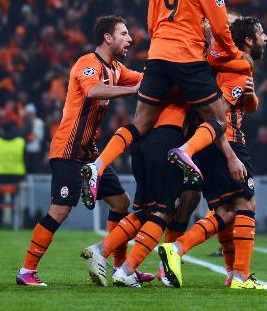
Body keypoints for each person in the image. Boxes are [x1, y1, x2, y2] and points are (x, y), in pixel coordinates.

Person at [80, 0, 251, 209]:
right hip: (187, 58)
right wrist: (237, 56)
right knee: (219, 119)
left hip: (158, 56)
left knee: (140, 123)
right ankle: (185, 151)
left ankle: (98, 166)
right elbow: (221, 29)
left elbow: (150, 24)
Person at [16, 15, 144, 287]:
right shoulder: (87, 63)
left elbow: (146, 80)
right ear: (108, 38)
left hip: (89, 154)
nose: (129, 39)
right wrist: (132, 90)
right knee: (60, 210)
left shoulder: (117, 68)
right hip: (67, 150)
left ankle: (121, 269)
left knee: (121, 202)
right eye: (123, 34)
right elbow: (92, 91)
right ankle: (27, 270)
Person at [158, 16, 267, 290]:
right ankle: (240, 276)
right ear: (248, 40)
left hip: (208, 146)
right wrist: (231, 155)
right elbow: (219, 115)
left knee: (224, 211)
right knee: (246, 205)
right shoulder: (239, 67)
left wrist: (251, 96)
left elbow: (246, 104)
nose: (266, 38)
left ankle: (191, 255)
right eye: (261, 33)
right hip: (227, 142)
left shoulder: (228, 66)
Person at [80, 95, 188, 287]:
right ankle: (126, 270)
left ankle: (101, 250)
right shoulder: (185, 69)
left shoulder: (152, 71)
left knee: (148, 212)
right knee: (165, 211)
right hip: (165, 138)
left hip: (140, 139)